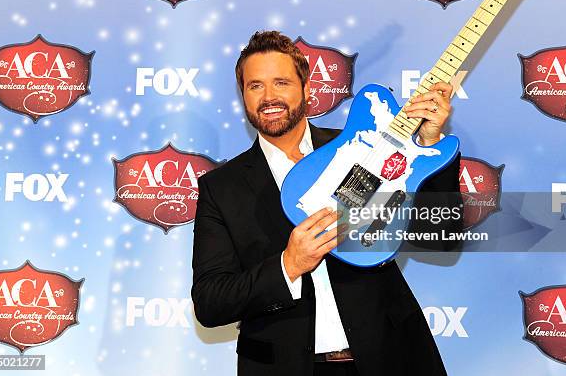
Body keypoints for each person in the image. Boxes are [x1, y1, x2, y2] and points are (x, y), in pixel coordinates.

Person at [191, 30, 463, 376]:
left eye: (281, 82)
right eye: (255, 86)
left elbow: (439, 237)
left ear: (307, 89)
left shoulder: (365, 148)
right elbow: (211, 301)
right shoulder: (221, 188)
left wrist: (427, 145)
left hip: (389, 357)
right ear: (243, 96)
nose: (269, 96)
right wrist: (288, 265)